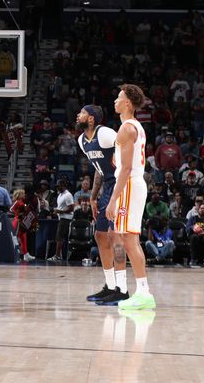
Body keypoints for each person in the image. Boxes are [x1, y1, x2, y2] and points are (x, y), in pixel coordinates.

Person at [104, 84, 155, 310]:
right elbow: (123, 163)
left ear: (127, 103)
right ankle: (142, 291)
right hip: (135, 184)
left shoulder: (126, 128)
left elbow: (125, 169)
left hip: (129, 185)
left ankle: (143, 292)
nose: (115, 100)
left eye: (118, 97)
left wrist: (113, 199)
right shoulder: (135, 127)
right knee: (129, 239)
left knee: (128, 239)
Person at [76, 105, 129, 304]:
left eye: (81, 113)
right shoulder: (82, 141)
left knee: (116, 236)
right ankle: (110, 285)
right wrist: (93, 196)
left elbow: (126, 149)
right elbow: (98, 169)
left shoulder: (105, 133)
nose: (77, 115)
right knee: (100, 235)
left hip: (120, 185)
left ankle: (122, 290)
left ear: (91, 119)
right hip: (107, 186)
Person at [48, 179, 74, 262]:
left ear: (63, 185)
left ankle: (57, 256)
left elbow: (71, 208)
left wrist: (60, 211)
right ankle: (58, 255)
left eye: (58, 186)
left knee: (59, 237)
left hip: (66, 219)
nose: (57, 188)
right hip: (61, 218)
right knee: (59, 237)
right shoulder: (60, 195)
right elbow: (62, 207)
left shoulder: (68, 195)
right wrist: (56, 210)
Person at [186, 203, 204, 267]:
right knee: (194, 237)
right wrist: (193, 228)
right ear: (198, 209)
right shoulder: (192, 218)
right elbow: (187, 228)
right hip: (194, 234)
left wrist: (203, 232)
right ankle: (193, 260)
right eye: (201, 208)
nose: (202, 210)